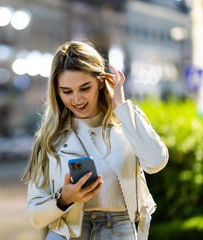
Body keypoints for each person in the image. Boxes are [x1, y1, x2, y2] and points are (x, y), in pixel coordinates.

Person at [21, 41, 168, 240]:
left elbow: (156, 162)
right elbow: (34, 216)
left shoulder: (127, 120)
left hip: (119, 231)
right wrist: (64, 199)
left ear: (100, 81)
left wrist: (121, 107)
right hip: (67, 233)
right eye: (67, 91)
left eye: (84, 88)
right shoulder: (50, 138)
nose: (77, 99)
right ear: (56, 91)